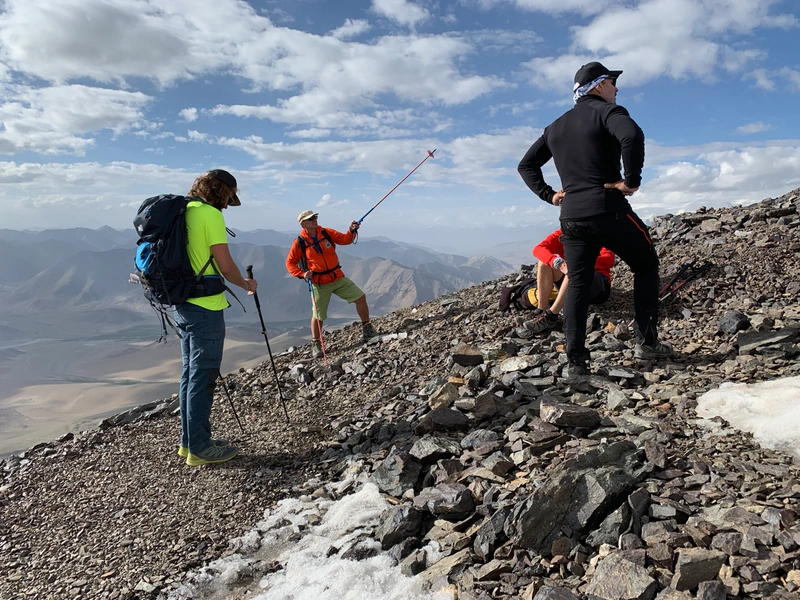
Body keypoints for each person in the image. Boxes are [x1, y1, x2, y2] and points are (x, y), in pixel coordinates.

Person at [518, 61, 671, 377]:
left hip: (571, 217)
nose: (617, 89)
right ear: (599, 85)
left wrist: (549, 195)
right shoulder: (608, 113)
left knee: (578, 281)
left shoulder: (555, 127)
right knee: (645, 266)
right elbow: (632, 136)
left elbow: (526, 165)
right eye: (613, 83)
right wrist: (631, 181)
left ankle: (576, 362)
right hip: (608, 209)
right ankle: (646, 343)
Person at [176, 169, 257, 466]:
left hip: (181, 301)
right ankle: (199, 448)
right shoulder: (210, 215)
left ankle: (189, 442)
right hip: (205, 305)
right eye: (228, 197)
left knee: (190, 372)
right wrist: (246, 284)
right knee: (204, 374)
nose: (227, 204)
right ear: (222, 191)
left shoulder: (183, 210)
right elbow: (225, 266)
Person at [285, 210, 378, 358]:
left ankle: (367, 329)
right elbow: (290, 263)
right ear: (303, 224)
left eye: (315, 217)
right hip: (319, 282)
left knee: (360, 297)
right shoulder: (300, 242)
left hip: (337, 277)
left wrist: (352, 230)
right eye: (310, 219)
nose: (314, 220)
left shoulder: (326, 232)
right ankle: (316, 344)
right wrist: (302, 274)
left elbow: (345, 239)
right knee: (318, 316)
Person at [524, 229, 614, 334]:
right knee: (544, 262)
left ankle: (551, 317)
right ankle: (541, 310)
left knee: (574, 268)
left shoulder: (598, 232)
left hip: (599, 288)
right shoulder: (563, 234)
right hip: (572, 284)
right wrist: (557, 262)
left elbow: (609, 259)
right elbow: (538, 249)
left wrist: (579, 263)